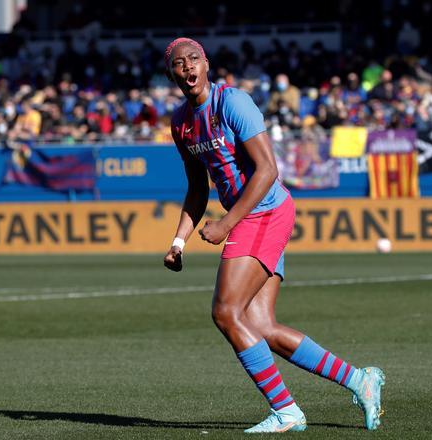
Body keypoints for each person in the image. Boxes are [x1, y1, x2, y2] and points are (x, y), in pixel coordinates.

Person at [162, 37, 385, 434]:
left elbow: (267, 170)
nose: (188, 67)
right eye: (179, 63)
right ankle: (359, 380)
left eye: (194, 58)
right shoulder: (181, 122)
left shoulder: (233, 102)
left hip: (264, 211)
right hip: (251, 215)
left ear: (207, 63)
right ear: (171, 73)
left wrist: (227, 223)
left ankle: (286, 410)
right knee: (260, 325)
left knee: (225, 312)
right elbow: (197, 189)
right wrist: (179, 241)